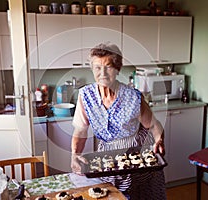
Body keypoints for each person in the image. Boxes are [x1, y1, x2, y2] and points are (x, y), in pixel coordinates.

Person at [71, 42, 166, 200]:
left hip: (137, 155)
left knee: (140, 195)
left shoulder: (133, 96)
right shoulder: (85, 96)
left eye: (108, 67)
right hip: (108, 158)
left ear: (117, 68)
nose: (102, 73)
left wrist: (159, 139)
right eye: (97, 67)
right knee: (112, 195)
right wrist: (74, 155)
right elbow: (80, 131)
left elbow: (153, 125)